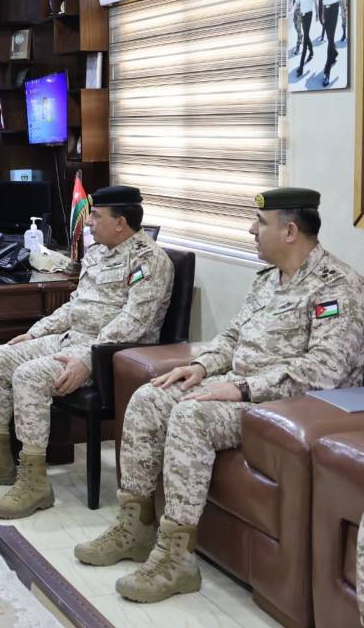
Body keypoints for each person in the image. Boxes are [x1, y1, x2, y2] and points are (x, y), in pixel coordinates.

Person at [74, 188, 364, 604]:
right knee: (150, 397)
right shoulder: (267, 278)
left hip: (280, 405)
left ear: (290, 231)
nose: (251, 230)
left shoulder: (337, 286)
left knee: (190, 417)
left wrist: (242, 388)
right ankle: (134, 527)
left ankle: (176, 560)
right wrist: (202, 366)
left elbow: (324, 370)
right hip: (237, 386)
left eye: (260, 223)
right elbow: (232, 336)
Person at [0, 186, 174, 520]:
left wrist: (89, 359)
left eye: (97, 216)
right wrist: (35, 333)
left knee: (29, 376)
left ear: (120, 222)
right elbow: (74, 306)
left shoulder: (149, 260)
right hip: (70, 339)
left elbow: (135, 322)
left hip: (110, 355)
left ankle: (34, 482)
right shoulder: (97, 252)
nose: (90, 222)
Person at [317, 0, 346, 87]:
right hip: (326, 10)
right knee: (329, 38)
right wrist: (322, 13)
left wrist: (344, 8)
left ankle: (326, 72)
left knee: (330, 40)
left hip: (334, 8)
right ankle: (334, 53)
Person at [291, 0, 315, 77]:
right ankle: (312, 51)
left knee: (305, 39)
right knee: (306, 35)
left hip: (308, 14)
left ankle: (301, 67)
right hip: (301, 13)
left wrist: (318, 14)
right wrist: (291, 10)